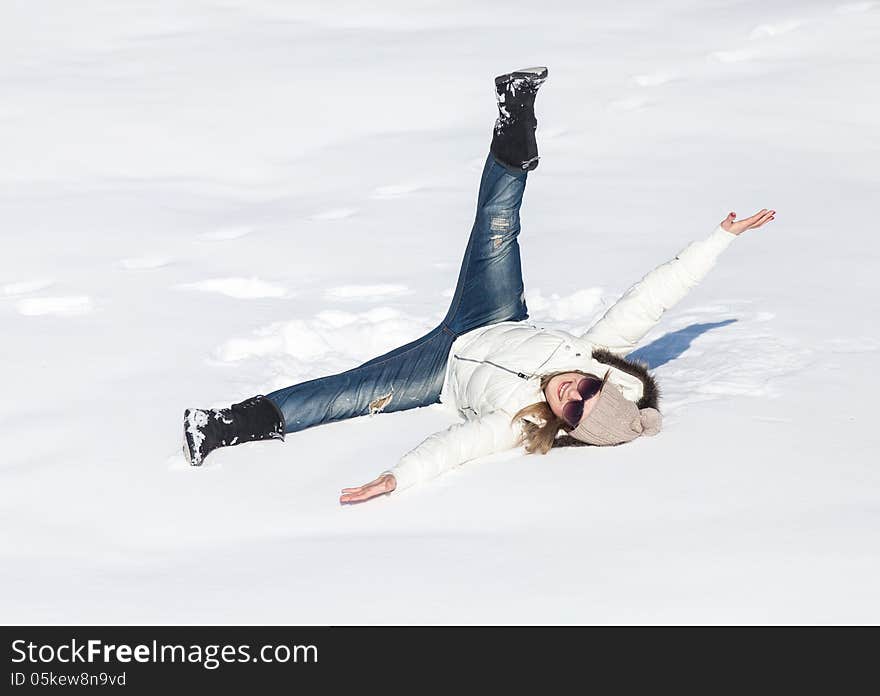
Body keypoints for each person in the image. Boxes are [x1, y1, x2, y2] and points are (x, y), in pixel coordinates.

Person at [182, 66, 775, 505]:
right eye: (590, 385)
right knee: (497, 224)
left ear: (563, 421)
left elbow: (455, 447)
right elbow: (654, 296)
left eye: (573, 402)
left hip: (437, 370)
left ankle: (222, 425)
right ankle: (516, 110)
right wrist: (720, 238)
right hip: (495, 315)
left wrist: (398, 478)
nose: (574, 385)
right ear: (602, 376)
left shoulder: (519, 422)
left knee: (345, 394)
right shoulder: (587, 353)